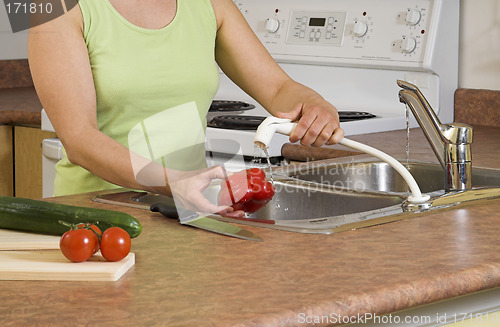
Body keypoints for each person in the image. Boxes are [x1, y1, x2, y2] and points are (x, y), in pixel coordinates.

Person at [28, 0, 344, 215]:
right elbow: (79, 138)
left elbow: (278, 89)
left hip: (187, 211)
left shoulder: (210, 5)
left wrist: (314, 104)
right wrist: (172, 182)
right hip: (99, 216)